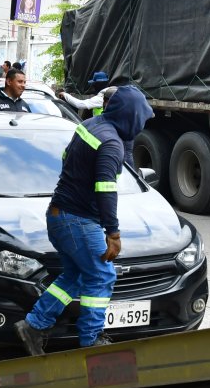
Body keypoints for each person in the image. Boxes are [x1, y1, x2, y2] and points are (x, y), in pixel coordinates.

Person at [15, 85, 154, 355]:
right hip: (77, 220)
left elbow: (68, 158)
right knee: (102, 275)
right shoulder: (111, 143)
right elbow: (105, 189)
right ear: (131, 115)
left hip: (59, 215)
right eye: (141, 118)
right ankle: (91, 341)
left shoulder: (92, 125)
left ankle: (33, 326)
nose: (142, 124)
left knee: (75, 276)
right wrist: (113, 233)